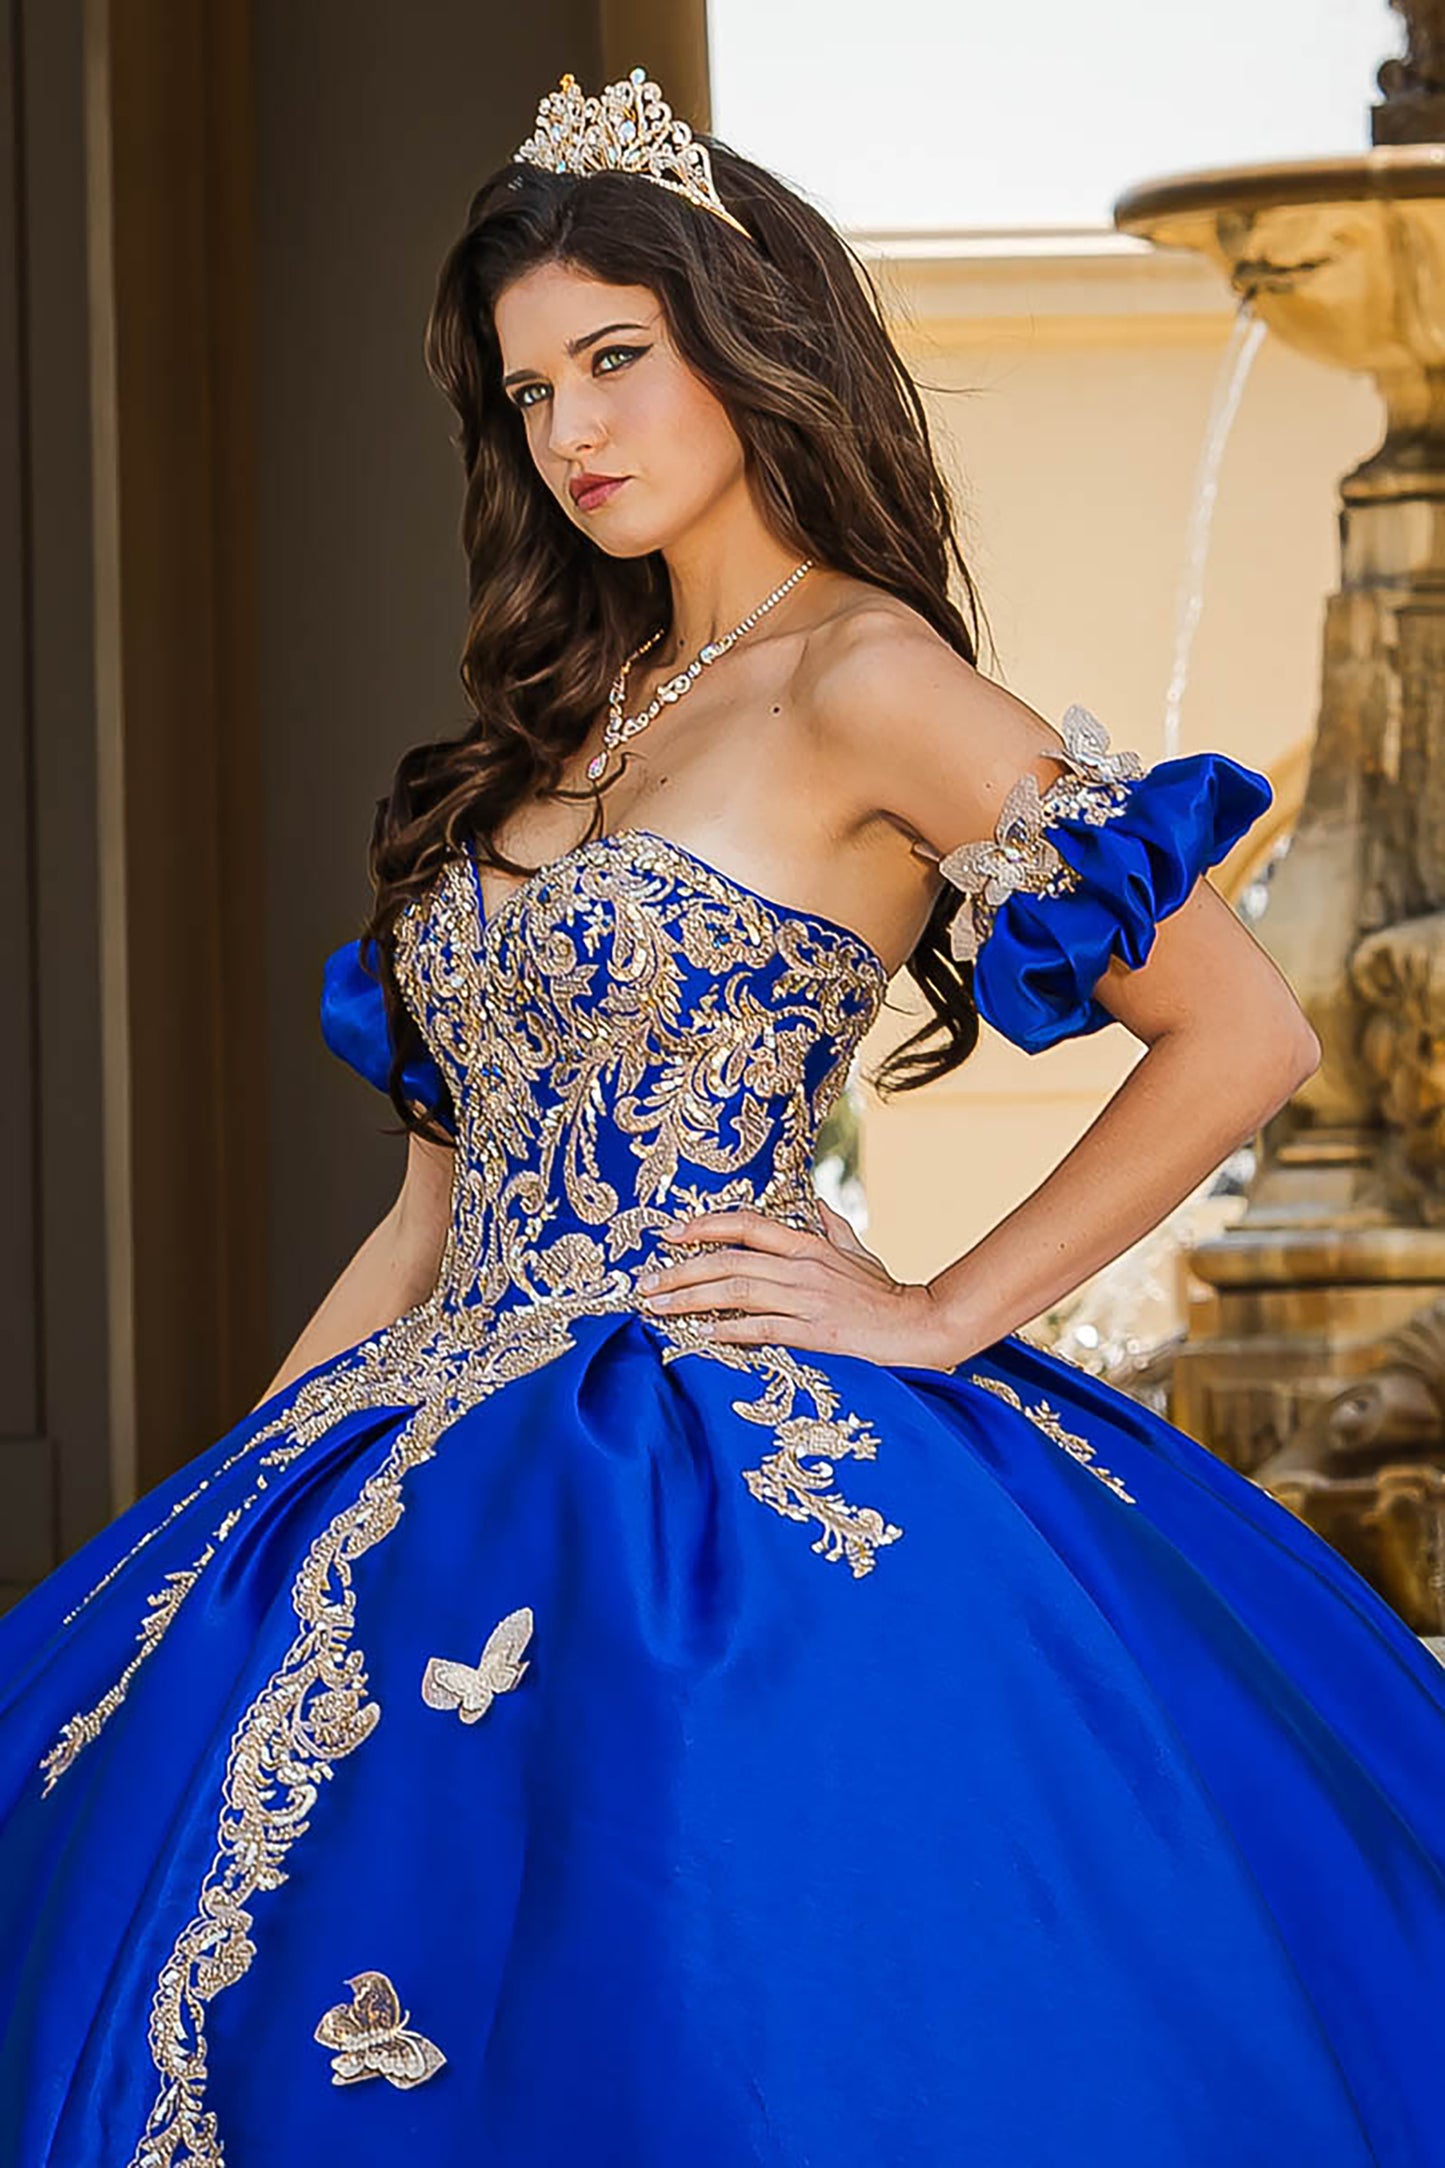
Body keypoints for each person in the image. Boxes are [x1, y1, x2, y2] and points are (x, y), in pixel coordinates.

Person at [1, 63, 1443, 2168]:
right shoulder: (535, 728)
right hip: (417, 1443)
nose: (571, 431)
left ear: (740, 346)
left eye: (613, 359)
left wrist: (943, 1310)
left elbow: (1240, 1031)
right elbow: (427, 1218)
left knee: (694, 2004)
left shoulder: (864, 679)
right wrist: (235, 1513)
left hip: (712, 1477)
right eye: (525, 395)